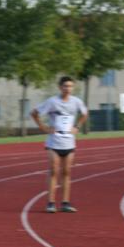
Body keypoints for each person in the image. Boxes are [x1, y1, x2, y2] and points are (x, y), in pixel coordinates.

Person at [30, 76, 87, 213]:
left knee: (67, 172)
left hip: (69, 142)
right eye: (65, 86)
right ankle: (50, 203)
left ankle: (65, 203)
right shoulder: (52, 102)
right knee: (54, 171)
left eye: (70, 86)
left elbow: (85, 113)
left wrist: (77, 127)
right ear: (60, 87)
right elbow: (34, 113)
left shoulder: (76, 101)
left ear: (73, 88)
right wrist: (44, 128)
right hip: (54, 142)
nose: (68, 89)